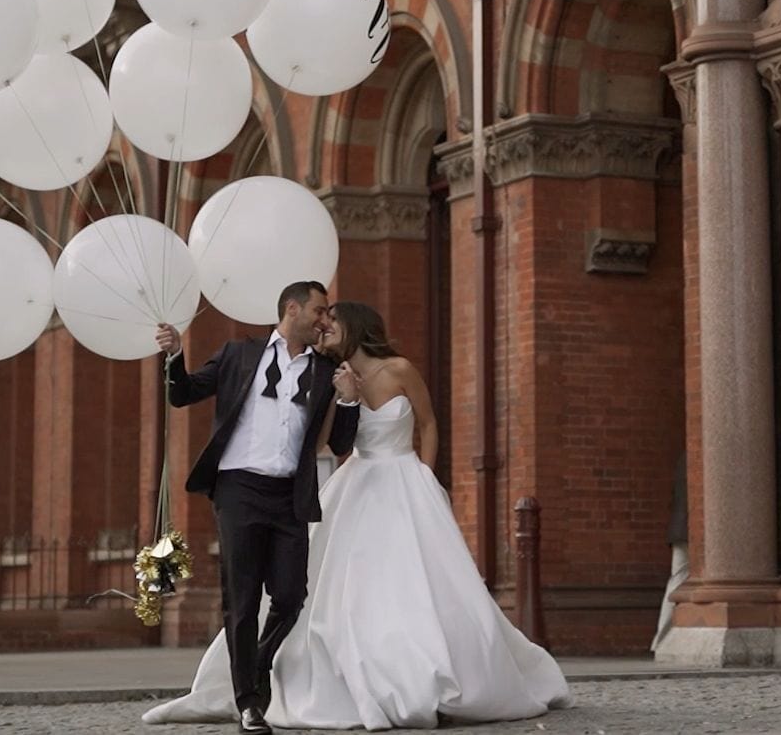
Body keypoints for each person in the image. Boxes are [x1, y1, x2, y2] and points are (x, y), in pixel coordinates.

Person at [144, 301, 571, 732]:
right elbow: (333, 442)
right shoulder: (330, 378)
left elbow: (429, 423)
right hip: (358, 481)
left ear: (356, 327)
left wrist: (425, 472)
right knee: (338, 581)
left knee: (419, 580)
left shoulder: (400, 368)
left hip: (405, 479)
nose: (324, 326)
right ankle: (269, 675)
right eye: (320, 318)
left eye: (332, 321)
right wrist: (345, 397)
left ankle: (437, 668)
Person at [154, 281, 362, 735]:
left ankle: (258, 661)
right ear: (292, 308)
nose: (325, 319)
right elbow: (183, 393)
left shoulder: (326, 370)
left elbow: (341, 444)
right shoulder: (238, 354)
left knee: (290, 595)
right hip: (238, 490)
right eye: (319, 310)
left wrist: (348, 398)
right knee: (242, 599)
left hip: (289, 494)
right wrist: (172, 354)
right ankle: (250, 702)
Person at [651, 454, 689, 654]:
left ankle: (661, 638)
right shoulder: (693, 459)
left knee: (676, 579)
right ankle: (663, 639)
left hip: (679, 530)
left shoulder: (683, 461)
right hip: (688, 531)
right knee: (678, 579)